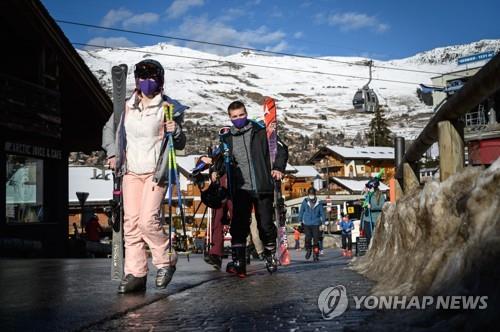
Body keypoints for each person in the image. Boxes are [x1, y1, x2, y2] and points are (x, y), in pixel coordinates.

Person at [102, 59, 187, 294]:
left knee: (147, 221)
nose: (146, 82)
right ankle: (136, 273)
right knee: (130, 224)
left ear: (159, 80)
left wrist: (175, 130)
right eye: (142, 77)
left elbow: (180, 142)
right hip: (130, 171)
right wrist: (112, 153)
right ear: (136, 80)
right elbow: (109, 131)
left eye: (151, 77)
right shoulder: (126, 106)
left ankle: (166, 260)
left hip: (155, 172)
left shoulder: (169, 108)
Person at [200, 100, 288, 277]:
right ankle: (239, 262)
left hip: (262, 185)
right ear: (229, 118)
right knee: (238, 226)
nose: (238, 119)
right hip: (240, 189)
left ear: (246, 114)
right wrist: (216, 171)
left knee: (265, 225)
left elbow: (281, 149)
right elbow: (222, 160)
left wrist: (278, 167)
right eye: (234, 117)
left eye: (241, 115)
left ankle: (270, 254)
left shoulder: (261, 132)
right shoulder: (227, 139)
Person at [298, 187, 325, 261]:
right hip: (307, 223)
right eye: (310, 194)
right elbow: (301, 212)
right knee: (308, 239)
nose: (311, 195)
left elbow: (322, 213)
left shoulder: (319, 203)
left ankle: (316, 255)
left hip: (316, 224)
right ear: (308, 194)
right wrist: (300, 221)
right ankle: (309, 250)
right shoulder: (305, 201)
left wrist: (323, 223)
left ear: (315, 194)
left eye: (312, 194)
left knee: (316, 240)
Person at [361, 177, 386, 244]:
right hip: (367, 219)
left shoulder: (381, 195)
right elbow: (364, 204)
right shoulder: (368, 195)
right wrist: (365, 195)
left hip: (375, 219)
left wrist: (372, 207)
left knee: (376, 238)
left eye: (369, 187)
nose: (369, 189)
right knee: (369, 239)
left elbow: (382, 206)